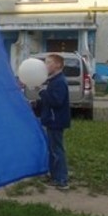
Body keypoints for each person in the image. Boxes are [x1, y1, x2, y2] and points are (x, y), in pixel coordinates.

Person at [37, 53, 71, 191]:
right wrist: (36, 104)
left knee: (57, 150)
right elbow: (49, 101)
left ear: (57, 65)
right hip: (52, 120)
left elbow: (56, 101)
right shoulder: (53, 80)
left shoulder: (59, 81)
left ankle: (62, 180)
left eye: (48, 62)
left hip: (56, 121)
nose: (45, 66)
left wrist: (42, 92)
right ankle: (54, 176)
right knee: (52, 149)